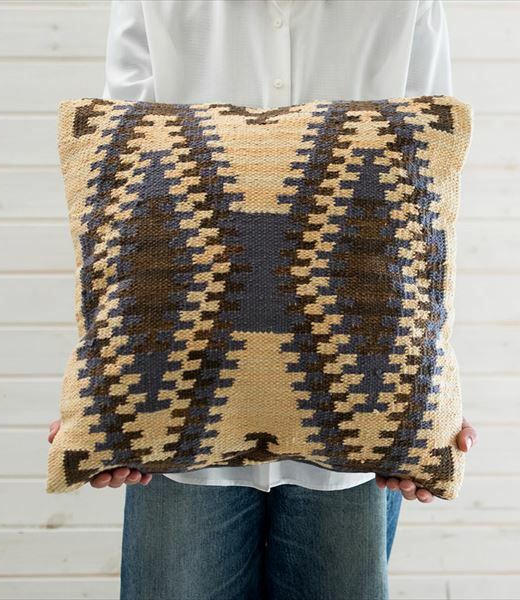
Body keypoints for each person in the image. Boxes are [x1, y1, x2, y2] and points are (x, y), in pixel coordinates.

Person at [48, 1, 478, 598]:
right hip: (180, 419)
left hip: (360, 409)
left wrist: (428, 388)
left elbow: (423, 208)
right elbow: (132, 211)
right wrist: (109, 386)